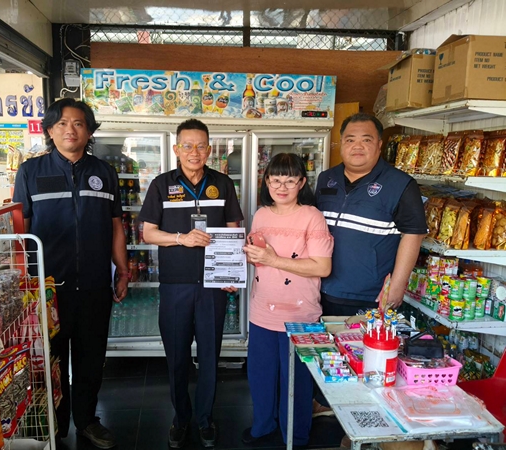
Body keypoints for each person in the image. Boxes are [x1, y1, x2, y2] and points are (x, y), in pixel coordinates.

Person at [13, 98, 128, 450]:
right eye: (61, 123)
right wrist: (23, 279)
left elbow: (116, 225)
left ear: (89, 131)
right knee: (52, 358)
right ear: (50, 130)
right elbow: (21, 228)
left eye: (78, 123)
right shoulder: (30, 172)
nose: (70, 130)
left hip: (94, 283)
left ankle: (88, 420)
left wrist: (122, 270)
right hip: (48, 288)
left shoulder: (104, 172)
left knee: (91, 356)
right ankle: (55, 423)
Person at [138, 118, 243, 448]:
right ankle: (181, 418)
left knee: (210, 355)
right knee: (177, 356)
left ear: (209, 150)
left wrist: (231, 272)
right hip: (175, 285)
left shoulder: (223, 184)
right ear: (176, 149)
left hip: (213, 286)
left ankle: (205, 418)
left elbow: (234, 230)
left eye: (200, 146)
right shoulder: (161, 185)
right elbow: (148, 233)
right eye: (187, 145)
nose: (194, 152)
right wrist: (181, 238)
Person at [242, 153, 333, 447]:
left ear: (302, 183)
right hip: (261, 310)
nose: (282, 187)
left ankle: (295, 434)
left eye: (290, 181)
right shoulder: (261, 214)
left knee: (297, 380)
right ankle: (263, 425)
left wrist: (272, 259)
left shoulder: (312, 216)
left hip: (299, 314)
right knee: (261, 375)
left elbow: (322, 267)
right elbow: (260, 258)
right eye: (276, 180)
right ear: (266, 181)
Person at [315, 112, 427, 316]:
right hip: (321, 289)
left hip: (370, 295)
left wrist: (397, 285)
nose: (357, 146)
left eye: (366, 140)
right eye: (350, 140)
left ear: (379, 145)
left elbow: (413, 235)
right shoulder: (326, 179)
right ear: (341, 144)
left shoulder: (400, 184)